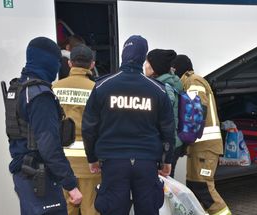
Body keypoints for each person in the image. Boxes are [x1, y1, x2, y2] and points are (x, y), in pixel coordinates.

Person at [81, 35, 176, 215]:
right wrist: (167, 161)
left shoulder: (102, 86)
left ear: (123, 54)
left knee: (114, 209)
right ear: (143, 58)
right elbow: (168, 130)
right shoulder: (157, 89)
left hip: (113, 162)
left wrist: (92, 158)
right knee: (148, 209)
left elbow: (89, 127)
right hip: (146, 162)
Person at [3, 37, 82, 215]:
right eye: (56, 62)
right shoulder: (40, 96)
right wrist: (70, 185)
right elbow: (49, 146)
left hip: (23, 173)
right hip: (40, 178)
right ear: (48, 61)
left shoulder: (18, 88)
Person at [170, 55, 232, 215]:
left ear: (176, 69)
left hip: (205, 147)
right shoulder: (189, 82)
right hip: (199, 148)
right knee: (195, 187)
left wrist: (183, 141)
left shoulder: (193, 81)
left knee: (203, 189)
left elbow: (196, 112)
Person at [52, 44, 100, 215]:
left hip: (62, 165)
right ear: (92, 65)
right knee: (92, 210)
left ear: (70, 64)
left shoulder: (54, 88)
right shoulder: (97, 89)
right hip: (91, 164)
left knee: (66, 210)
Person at [145, 49, 185, 178]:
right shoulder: (169, 83)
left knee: (162, 186)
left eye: (147, 62)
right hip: (170, 143)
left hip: (166, 145)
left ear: (155, 67)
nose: (145, 65)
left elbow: (161, 117)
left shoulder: (163, 87)